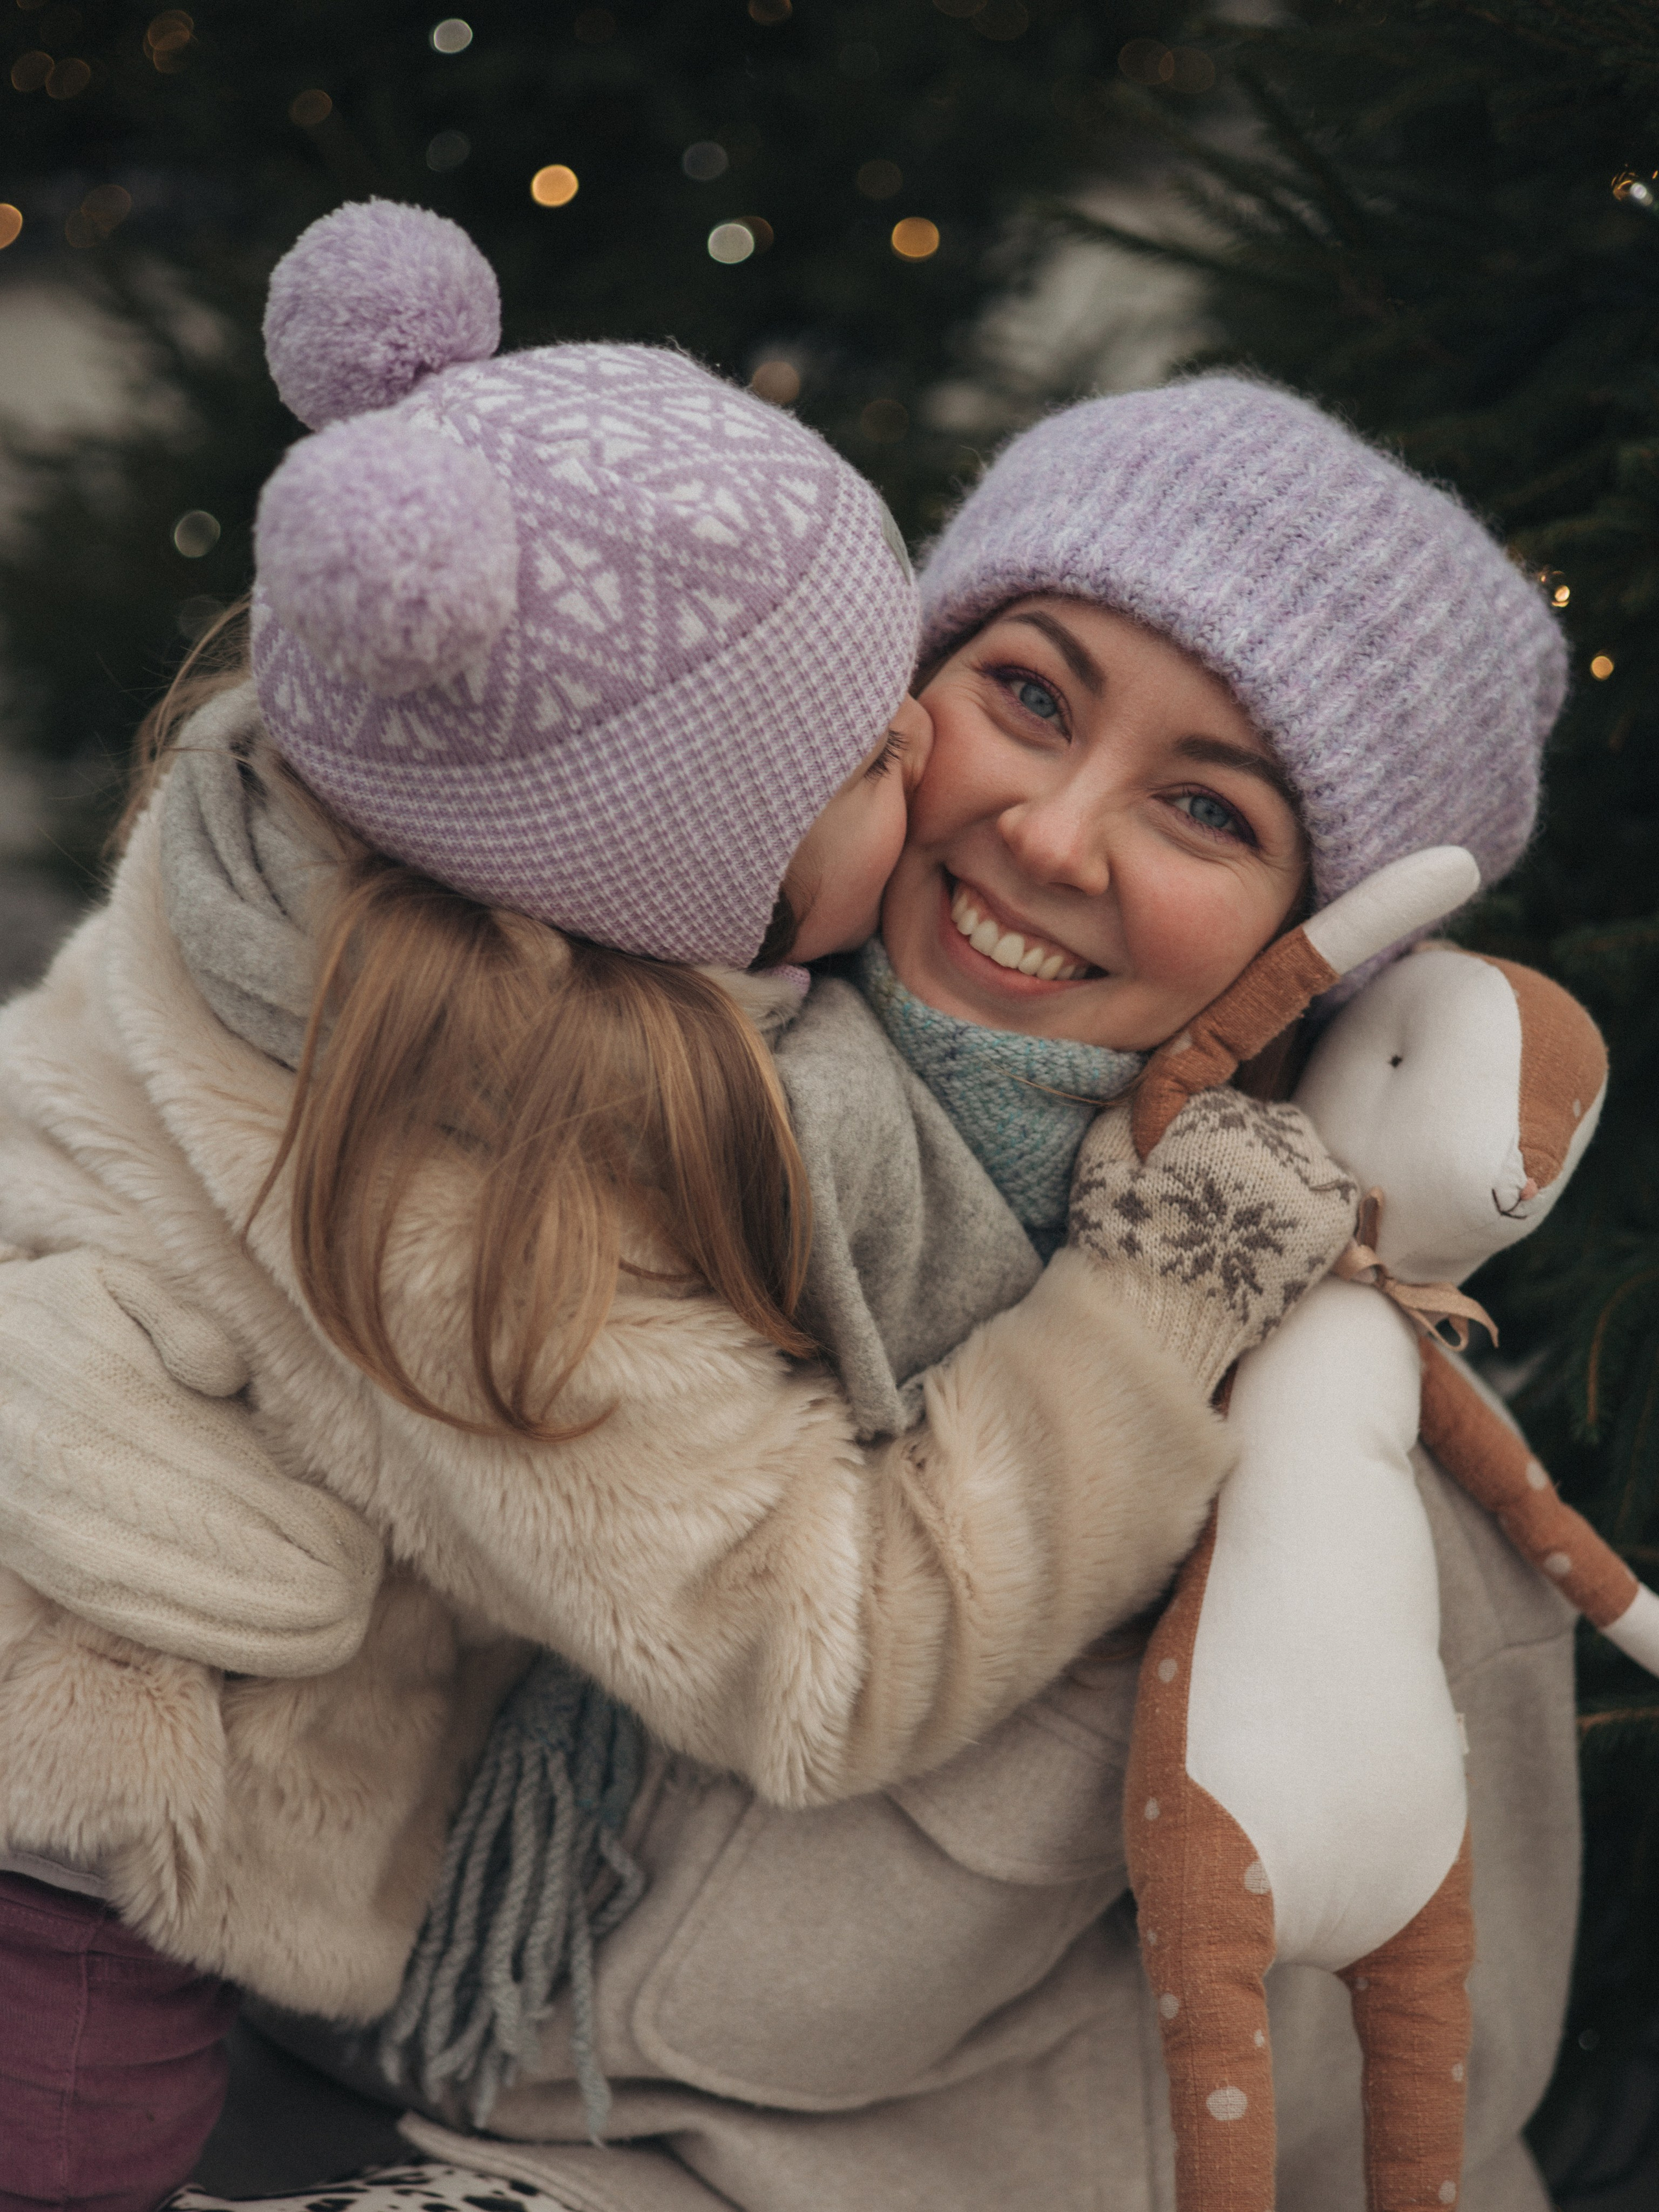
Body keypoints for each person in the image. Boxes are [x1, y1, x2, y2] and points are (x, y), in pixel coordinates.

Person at [0, 210, 1351, 2212]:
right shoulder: (489, 1190)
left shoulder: (287, 842)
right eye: (878, 753)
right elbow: (830, 1658)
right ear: (678, 863)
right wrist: (1158, 1305)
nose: (962, 795)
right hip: (72, 1905)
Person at [172, 375, 1574, 2212]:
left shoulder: (1300, 1405)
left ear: (1325, 948)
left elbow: (1418, 2060)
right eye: (1029, 696)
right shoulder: (556, 1029)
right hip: (276, 2033)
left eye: (1208, 813)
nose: (1053, 839)